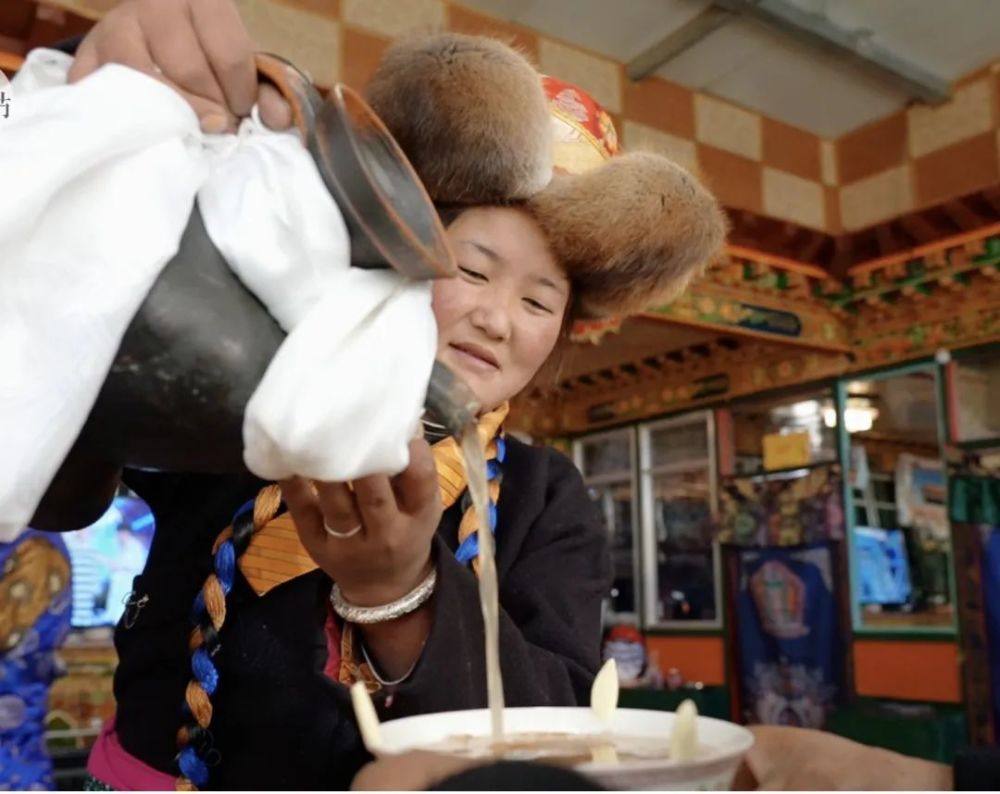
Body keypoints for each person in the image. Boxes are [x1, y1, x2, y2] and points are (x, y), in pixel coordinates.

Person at [23, 0, 725, 789]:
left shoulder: (543, 498)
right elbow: (59, 468)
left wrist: (398, 590)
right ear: (402, 265)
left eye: (538, 302)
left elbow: (555, 723)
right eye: (471, 269)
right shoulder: (270, 392)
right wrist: (106, 109)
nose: (497, 318)